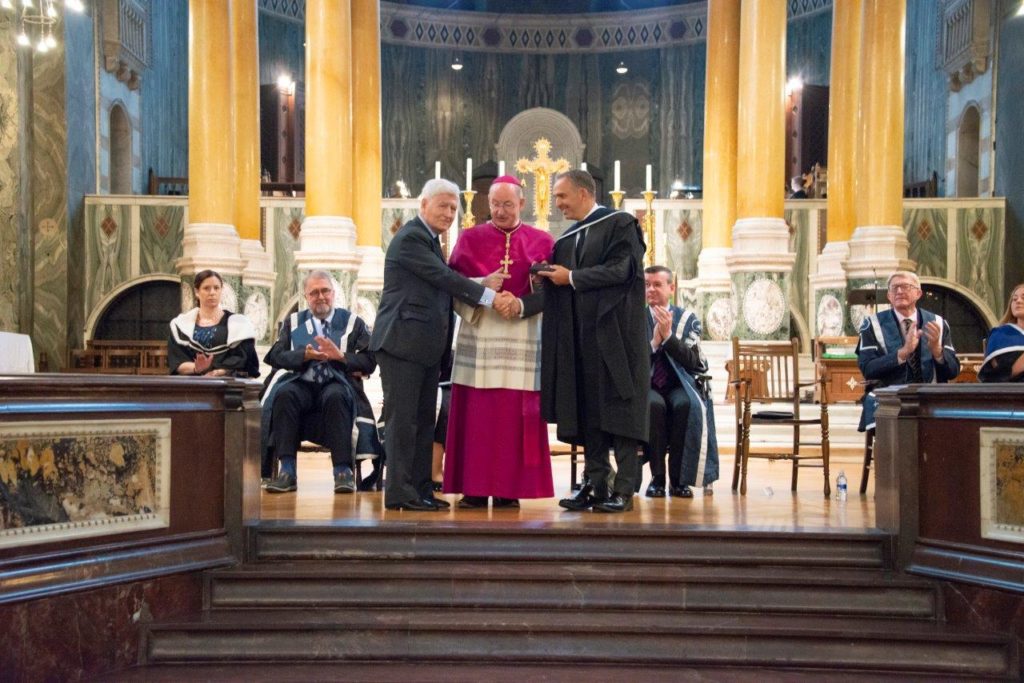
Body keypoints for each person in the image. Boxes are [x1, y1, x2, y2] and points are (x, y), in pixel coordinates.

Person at [370, 178, 515, 512]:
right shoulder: (411, 237)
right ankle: (399, 493)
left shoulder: (429, 240)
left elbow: (438, 279)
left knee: (421, 421)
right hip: (402, 343)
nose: (450, 213)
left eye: (454, 208)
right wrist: (491, 297)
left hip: (421, 346)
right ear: (423, 205)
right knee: (403, 422)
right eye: (443, 206)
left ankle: (419, 489)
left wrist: (479, 283)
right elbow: (444, 278)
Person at [538, 169, 650, 513]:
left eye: (561, 196)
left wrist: (571, 277)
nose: (557, 204)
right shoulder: (569, 238)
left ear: (584, 194)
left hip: (616, 336)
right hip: (580, 338)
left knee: (621, 410)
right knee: (589, 411)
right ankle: (595, 481)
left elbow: (623, 270)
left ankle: (625, 488)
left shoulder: (620, 225)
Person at [443, 175, 555, 509]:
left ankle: (510, 489)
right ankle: (474, 488)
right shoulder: (469, 238)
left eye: (508, 204)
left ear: (522, 203)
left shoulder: (543, 241)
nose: (500, 211)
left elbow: (553, 291)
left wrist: (518, 303)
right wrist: (484, 289)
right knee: (478, 415)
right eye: (494, 204)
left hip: (522, 334)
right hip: (480, 335)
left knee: (514, 417)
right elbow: (450, 283)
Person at [261, 270, 379, 494]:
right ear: (306, 297)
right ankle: (287, 471)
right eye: (314, 292)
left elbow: (370, 361)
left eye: (325, 291)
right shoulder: (294, 322)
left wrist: (341, 357)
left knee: (336, 396)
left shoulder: (352, 322)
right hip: (302, 382)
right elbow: (275, 356)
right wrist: (302, 357)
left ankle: (343, 472)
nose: (320, 296)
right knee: (284, 394)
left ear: (333, 293)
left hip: (337, 381)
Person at [642, 265, 719, 498]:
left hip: (679, 384)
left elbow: (694, 361)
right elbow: (632, 361)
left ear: (671, 288)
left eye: (657, 284)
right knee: (653, 406)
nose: (651, 290)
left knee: (686, 405)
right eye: (647, 285)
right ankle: (657, 479)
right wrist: (654, 343)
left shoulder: (687, 319)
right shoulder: (636, 318)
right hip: (648, 385)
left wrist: (668, 339)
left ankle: (678, 480)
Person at [856, 270, 960, 431]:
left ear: (918, 293)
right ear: (889, 296)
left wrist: (937, 352)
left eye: (905, 286)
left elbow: (953, 371)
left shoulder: (938, 323)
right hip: (890, 396)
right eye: (894, 288)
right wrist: (903, 353)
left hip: (929, 395)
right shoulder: (872, 325)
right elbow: (868, 369)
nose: (899, 291)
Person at [168, 269, 259, 378]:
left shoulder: (239, 325)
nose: (212, 292)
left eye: (216, 288)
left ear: (221, 290)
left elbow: (243, 360)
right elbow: (177, 361)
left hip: (228, 385)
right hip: (190, 384)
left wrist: (217, 372)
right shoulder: (181, 325)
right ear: (197, 292)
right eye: (206, 288)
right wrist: (197, 368)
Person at [979, 283, 1024, 382]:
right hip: (1013, 393)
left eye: (1023, 298)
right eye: (1014, 299)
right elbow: (992, 377)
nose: (1018, 301)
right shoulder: (1000, 335)